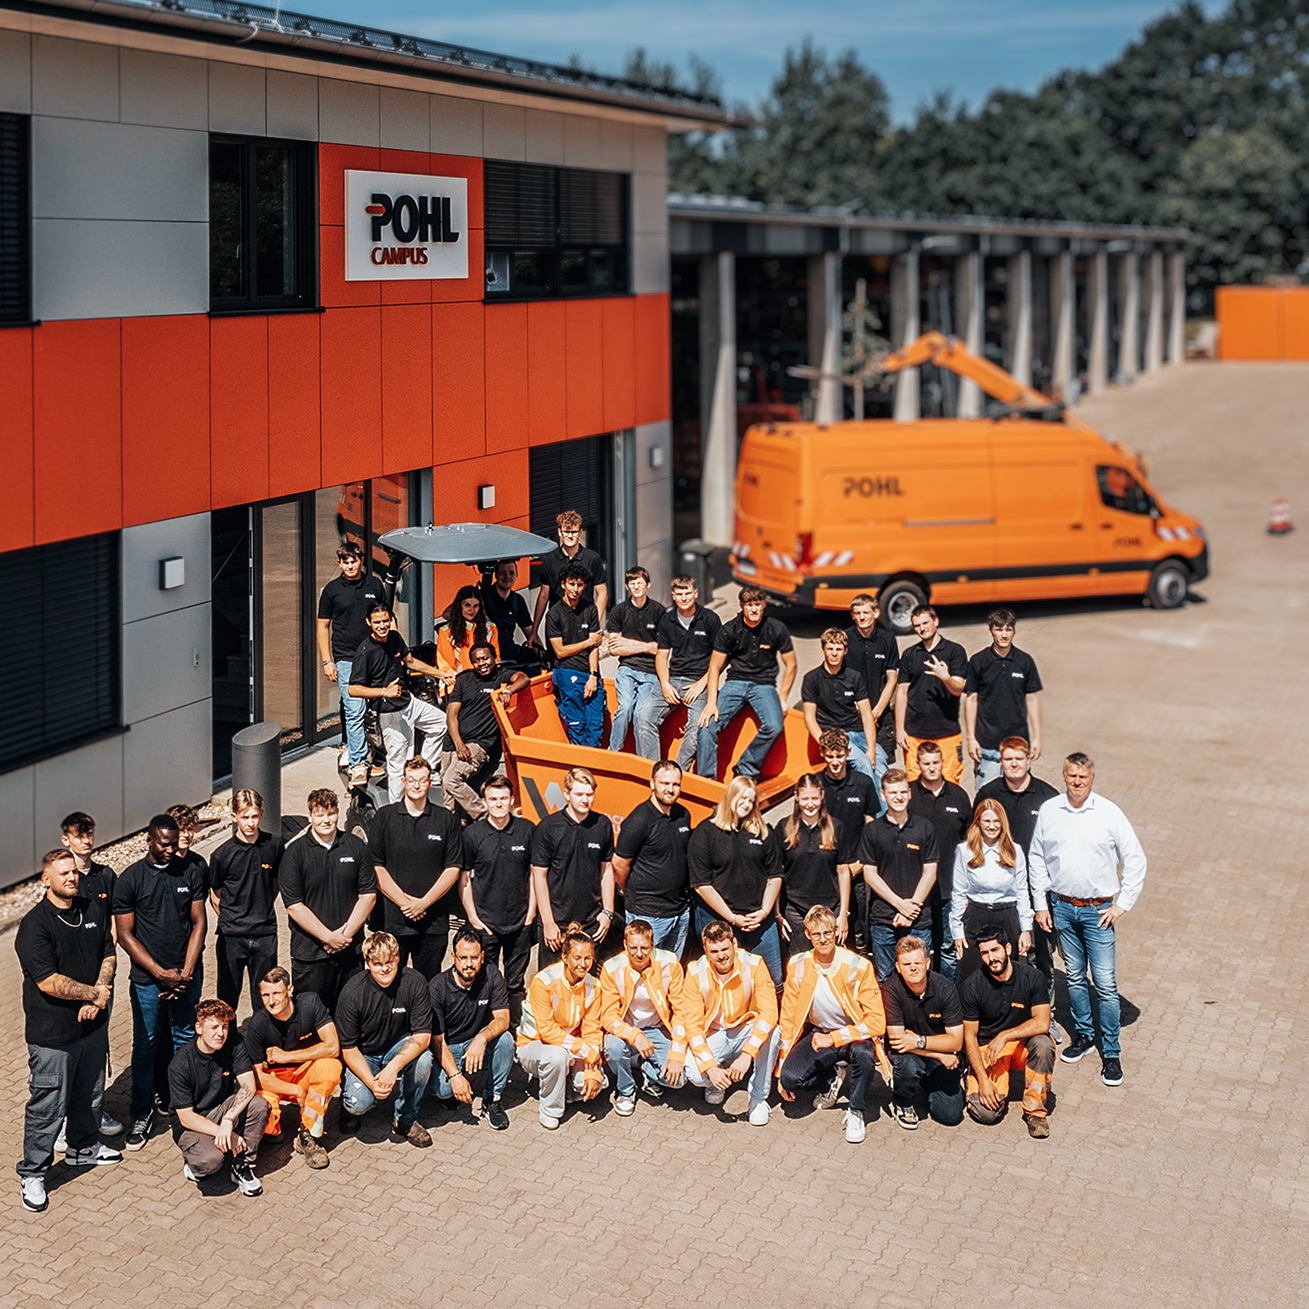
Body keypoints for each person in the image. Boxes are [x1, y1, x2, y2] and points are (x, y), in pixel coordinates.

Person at [1029, 753, 1147, 1088]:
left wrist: (1122, 905)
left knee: (1105, 984)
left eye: (1082, 776)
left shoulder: (1109, 813)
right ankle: (1084, 1035)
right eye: (1071, 776)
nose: (1077, 781)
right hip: (1062, 907)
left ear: (1092, 778)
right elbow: (1036, 858)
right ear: (1064, 776)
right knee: (1075, 977)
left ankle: (1111, 1051)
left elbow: (1136, 858)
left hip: (1099, 913)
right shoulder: (1051, 811)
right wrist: (1041, 905)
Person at [15, 850, 120, 1212]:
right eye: (63, 873)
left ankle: (82, 1148)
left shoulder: (91, 909)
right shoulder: (34, 926)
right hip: (53, 1037)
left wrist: (100, 994)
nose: (72, 877)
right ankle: (33, 1172)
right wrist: (94, 994)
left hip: (92, 1028)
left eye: (73, 871)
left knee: (89, 1095)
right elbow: (48, 981)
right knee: (48, 1106)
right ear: (46, 880)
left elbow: (109, 952)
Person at [113, 813, 207, 1152]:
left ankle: (185, 1112)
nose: (170, 850)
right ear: (149, 841)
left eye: (173, 843)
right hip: (148, 981)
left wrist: (185, 972)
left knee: (186, 1042)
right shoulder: (130, 879)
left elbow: (199, 923)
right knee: (147, 1045)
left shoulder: (190, 871)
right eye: (164, 844)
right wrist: (160, 973)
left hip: (185, 977)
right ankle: (141, 1113)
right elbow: (125, 935)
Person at [777, 906, 886, 1145]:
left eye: (828, 932)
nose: (823, 939)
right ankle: (831, 1080)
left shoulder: (859, 965)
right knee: (790, 1079)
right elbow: (788, 1018)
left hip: (853, 1034)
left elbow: (877, 1023)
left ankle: (856, 1110)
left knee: (865, 1054)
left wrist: (834, 1038)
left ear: (836, 932)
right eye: (816, 934)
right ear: (807, 935)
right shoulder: (797, 964)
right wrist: (781, 1066)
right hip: (819, 1033)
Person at [975, 736, 1061, 1036]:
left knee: (1040, 956)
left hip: (1037, 894)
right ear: (1000, 761)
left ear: (1029, 760)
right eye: (1008, 759)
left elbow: (1057, 849)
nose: (1013, 764)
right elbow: (973, 840)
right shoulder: (988, 794)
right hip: (997, 897)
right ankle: (1003, 1015)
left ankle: (1045, 1016)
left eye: (1018, 759)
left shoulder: (1047, 797)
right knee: (1001, 955)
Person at [279, 788, 377, 1012]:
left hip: (350, 952)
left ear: (338, 814)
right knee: (310, 1018)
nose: (326, 820)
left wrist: (344, 936)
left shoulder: (355, 846)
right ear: (310, 816)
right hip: (310, 956)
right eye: (320, 814)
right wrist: (328, 937)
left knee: (351, 1016)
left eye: (331, 813)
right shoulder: (294, 853)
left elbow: (368, 896)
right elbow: (294, 906)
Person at [588, 919, 697, 1116]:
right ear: (624, 945)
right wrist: (635, 1035)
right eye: (633, 948)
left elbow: (681, 1010)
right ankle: (626, 1089)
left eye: (644, 948)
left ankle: (644, 1067)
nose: (639, 953)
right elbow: (608, 1015)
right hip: (625, 1029)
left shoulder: (670, 963)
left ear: (652, 945)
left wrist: (677, 1053)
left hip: (657, 1028)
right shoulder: (612, 968)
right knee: (613, 1049)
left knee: (679, 1079)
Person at [369, 756, 463, 981]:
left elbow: (453, 868)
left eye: (422, 780)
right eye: (411, 780)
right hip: (392, 922)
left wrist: (424, 903)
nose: (416, 785)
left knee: (428, 985)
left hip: (433, 922)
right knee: (389, 984)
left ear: (430, 783)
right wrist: (405, 903)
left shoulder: (445, 819)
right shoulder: (384, 817)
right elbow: (375, 866)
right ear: (403, 782)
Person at [335, 932, 434, 1146]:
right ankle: (349, 1107)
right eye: (377, 963)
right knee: (359, 1104)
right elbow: (348, 1048)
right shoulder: (353, 993)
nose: (384, 969)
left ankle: (406, 1118)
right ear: (367, 964)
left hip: (396, 1047)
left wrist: (393, 1068)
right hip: (364, 1054)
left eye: (389, 962)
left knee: (424, 1059)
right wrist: (372, 1083)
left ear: (397, 958)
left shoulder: (415, 982)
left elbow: (423, 1035)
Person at [57, 811, 121, 1138]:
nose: (86, 840)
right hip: (72, 984)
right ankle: (64, 1118)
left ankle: (94, 1111)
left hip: (102, 979)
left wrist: (102, 981)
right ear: (65, 840)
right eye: (79, 835)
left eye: (89, 833)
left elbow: (113, 925)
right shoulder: (64, 879)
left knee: (97, 1046)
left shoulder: (106, 875)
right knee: (69, 1050)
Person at [687, 776, 785, 991]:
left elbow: (775, 875)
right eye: (742, 798)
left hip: (759, 919)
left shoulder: (763, 832)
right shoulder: (705, 832)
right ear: (730, 796)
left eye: (751, 800)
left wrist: (764, 911)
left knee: (773, 980)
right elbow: (701, 884)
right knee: (723, 979)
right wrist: (732, 918)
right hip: (719, 918)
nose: (746, 804)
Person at [347, 602, 448, 802]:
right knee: (398, 763)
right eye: (377, 622)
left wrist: (441, 674)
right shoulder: (365, 651)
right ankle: (396, 808)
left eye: (385, 621)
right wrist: (385, 691)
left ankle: (422, 771)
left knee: (442, 723)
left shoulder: (394, 637)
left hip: (409, 703)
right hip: (390, 712)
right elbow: (353, 689)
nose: (382, 625)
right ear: (369, 622)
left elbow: (410, 662)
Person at [960, 926, 1054, 1138]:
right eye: (985, 953)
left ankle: (1035, 1113)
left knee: (1044, 1045)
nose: (991, 958)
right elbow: (969, 1037)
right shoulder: (972, 985)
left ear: (1008, 949)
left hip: (1020, 1046)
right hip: (989, 1051)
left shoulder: (1033, 978)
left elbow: (1042, 1023)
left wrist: (1004, 1036)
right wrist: (983, 1081)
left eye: (995, 950)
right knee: (986, 1114)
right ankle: (973, 1077)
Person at [682, 921, 780, 1125]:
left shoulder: (754, 963)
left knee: (773, 1031)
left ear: (735, 944)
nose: (721, 956)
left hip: (744, 1029)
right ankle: (717, 1080)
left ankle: (758, 1098)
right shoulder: (694, 971)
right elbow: (692, 1025)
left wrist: (747, 1055)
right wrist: (710, 1068)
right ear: (705, 950)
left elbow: (769, 1012)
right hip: (714, 1033)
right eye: (714, 951)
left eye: (725, 949)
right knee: (694, 1073)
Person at [169, 998, 269, 1195]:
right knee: (210, 1160)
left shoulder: (234, 1042)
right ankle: (194, 1165)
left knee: (259, 1105)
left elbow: (248, 1085)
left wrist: (228, 1119)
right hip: (192, 1123)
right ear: (198, 1028)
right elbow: (186, 1118)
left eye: (224, 1026)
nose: (221, 1033)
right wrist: (226, 1133)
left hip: (221, 1109)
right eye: (214, 1027)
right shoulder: (180, 1065)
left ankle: (242, 1165)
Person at [245, 967, 340, 1170]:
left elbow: (333, 1047)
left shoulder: (310, 1003)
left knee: (331, 1067)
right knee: (260, 1109)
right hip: (275, 1080)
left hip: (305, 1072)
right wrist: (295, 1090)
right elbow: (256, 1076)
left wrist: (287, 1056)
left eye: (277, 993)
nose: (271, 1001)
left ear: (289, 990)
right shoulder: (257, 1025)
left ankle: (307, 1134)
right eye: (266, 995)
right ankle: (274, 1131)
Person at [699, 586, 797, 780]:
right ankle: (707, 780)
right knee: (706, 726)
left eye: (757, 605)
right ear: (742, 605)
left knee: (775, 726)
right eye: (749, 605)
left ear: (764, 605)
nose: (753, 609)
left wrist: (783, 698)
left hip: (763, 685)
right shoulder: (729, 629)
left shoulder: (775, 628)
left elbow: (791, 664)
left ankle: (745, 768)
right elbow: (714, 666)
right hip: (735, 682)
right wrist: (711, 702)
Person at [516, 923, 607, 1130]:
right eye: (577, 958)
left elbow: (592, 1030)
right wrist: (585, 1050)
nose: (583, 964)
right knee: (557, 1057)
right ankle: (551, 1109)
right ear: (565, 957)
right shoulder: (543, 982)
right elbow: (547, 1031)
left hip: (571, 1045)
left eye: (588, 958)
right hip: (535, 1044)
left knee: (595, 1082)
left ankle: (562, 1088)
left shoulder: (595, 986)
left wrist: (593, 1071)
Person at [460, 776, 536, 1021]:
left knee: (515, 984)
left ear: (512, 800)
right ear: (484, 802)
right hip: (486, 923)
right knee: (485, 981)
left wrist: (531, 914)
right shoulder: (473, 835)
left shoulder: (526, 830)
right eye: (493, 799)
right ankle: (487, 1028)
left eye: (503, 798)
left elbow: (535, 874)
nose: (499, 804)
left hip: (520, 922)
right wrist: (473, 917)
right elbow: (464, 879)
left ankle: (515, 1029)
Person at [853, 769, 938, 981]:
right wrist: (900, 905)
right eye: (893, 792)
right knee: (885, 978)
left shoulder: (925, 828)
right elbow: (870, 874)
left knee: (920, 976)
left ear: (909, 793)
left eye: (902, 792)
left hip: (918, 918)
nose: (898, 797)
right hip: (883, 918)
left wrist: (911, 910)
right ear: (883, 795)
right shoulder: (872, 831)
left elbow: (930, 873)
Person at [428, 929, 514, 1130]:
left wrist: (481, 1038)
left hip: (476, 1041)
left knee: (506, 1040)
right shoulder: (437, 987)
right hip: (449, 1047)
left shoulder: (492, 975)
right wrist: (455, 1076)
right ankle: (453, 1089)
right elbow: (437, 1040)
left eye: (474, 957)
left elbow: (503, 1019)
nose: (469, 964)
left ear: (482, 956)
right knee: (443, 1090)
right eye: (463, 958)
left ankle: (492, 1098)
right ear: (453, 957)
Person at [530, 767, 616, 966]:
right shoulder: (548, 827)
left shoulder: (602, 825)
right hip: (556, 926)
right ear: (566, 794)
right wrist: (548, 922)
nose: (585, 800)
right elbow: (539, 876)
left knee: (588, 981)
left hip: (591, 924)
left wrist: (608, 912)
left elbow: (607, 871)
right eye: (579, 794)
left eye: (589, 794)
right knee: (552, 981)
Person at [317, 541, 386, 785]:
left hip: (375, 655)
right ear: (339, 563)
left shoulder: (374, 584)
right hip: (346, 659)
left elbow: (386, 618)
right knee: (354, 710)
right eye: (345, 562)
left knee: (377, 709)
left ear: (361, 561)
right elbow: (323, 626)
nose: (350, 566)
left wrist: (394, 651)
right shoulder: (332, 590)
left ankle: (375, 756)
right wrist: (327, 661)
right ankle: (358, 764)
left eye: (353, 561)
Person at [208, 789, 283, 1015]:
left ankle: (261, 1035)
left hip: (265, 934)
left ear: (261, 814)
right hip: (231, 937)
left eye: (254, 816)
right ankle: (228, 1036)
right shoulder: (221, 855)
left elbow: (275, 884)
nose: (250, 823)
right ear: (234, 817)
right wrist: (232, 918)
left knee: (265, 998)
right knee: (227, 997)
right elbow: (215, 894)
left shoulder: (274, 846)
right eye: (244, 817)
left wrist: (261, 907)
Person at [882, 935, 965, 1130]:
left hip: (932, 1049)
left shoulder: (945, 989)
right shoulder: (891, 989)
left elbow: (956, 1042)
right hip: (909, 1053)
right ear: (898, 967)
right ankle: (903, 1101)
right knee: (910, 1066)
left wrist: (918, 1041)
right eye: (907, 964)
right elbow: (897, 1040)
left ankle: (927, 1081)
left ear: (927, 963)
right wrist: (939, 1054)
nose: (913, 968)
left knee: (950, 1115)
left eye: (917, 963)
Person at [612, 760, 693, 956]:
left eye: (675, 784)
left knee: (671, 968)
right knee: (643, 967)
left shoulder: (683, 815)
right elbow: (619, 864)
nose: (670, 789)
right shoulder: (639, 820)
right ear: (652, 784)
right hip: (648, 914)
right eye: (665, 783)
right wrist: (630, 890)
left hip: (680, 911)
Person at [441, 643, 528, 820]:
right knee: (449, 801)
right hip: (452, 743)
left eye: (485, 658)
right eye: (476, 660)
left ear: (494, 658)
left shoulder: (501, 676)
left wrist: (508, 690)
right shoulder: (464, 679)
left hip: (478, 744)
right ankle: (454, 833)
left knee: (451, 780)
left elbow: (523, 678)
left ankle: (486, 816)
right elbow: (452, 713)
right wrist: (458, 744)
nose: (481, 663)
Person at [908, 741, 972, 980]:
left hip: (950, 888)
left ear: (943, 763)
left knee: (947, 948)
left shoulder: (958, 796)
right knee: (919, 949)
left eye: (936, 762)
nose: (932, 768)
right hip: (916, 890)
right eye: (926, 763)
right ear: (918, 764)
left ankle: (947, 994)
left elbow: (970, 844)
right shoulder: (909, 795)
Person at [950, 799, 1033, 981]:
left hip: (1007, 916)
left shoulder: (1015, 851)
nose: (992, 826)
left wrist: (1026, 929)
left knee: (1005, 975)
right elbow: (959, 891)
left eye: (997, 821)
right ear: (978, 822)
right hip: (976, 915)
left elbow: (1022, 892)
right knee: (971, 975)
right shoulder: (965, 850)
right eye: (987, 821)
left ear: (1003, 823)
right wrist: (957, 930)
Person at [817, 728, 882, 953]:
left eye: (839, 755)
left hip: (856, 866)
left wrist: (860, 863)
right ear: (822, 754)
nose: (835, 761)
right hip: (826, 869)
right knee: (827, 928)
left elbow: (871, 828)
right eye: (830, 756)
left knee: (859, 928)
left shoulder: (863, 783)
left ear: (848, 752)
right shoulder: (816, 785)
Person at [963, 609, 1043, 788]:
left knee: (1019, 792)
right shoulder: (978, 661)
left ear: (1014, 632)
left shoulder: (1025, 661)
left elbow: (1031, 699)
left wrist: (1037, 738)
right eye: (999, 629)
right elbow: (971, 699)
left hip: (1018, 743)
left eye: (1008, 629)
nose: (1004, 635)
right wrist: (971, 738)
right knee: (987, 795)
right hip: (986, 744)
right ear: (990, 631)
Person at [771, 774, 849, 951]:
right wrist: (777, 914)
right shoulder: (783, 827)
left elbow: (843, 871)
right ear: (796, 797)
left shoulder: (836, 827)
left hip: (831, 909)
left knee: (831, 963)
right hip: (795, 911)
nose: (810, 804)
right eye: (805, 798)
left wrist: (844, 913)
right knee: (799, 964)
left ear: (822, 795)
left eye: (814, 798)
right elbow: (776, 873)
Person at [654, 574, 722, 773]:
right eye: (679, 594)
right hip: (673, 679)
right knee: (644, 716)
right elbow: (661, 657)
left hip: (700, 681)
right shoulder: (667, 619)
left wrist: (702, 684)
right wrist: (665, 684)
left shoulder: (710, 619)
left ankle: (678, 773)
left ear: (696, 593)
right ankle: (653, 771)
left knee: (698, 726)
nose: (684, 598)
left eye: (688, 593)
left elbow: (721, 659)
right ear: (673, 596)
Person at [894, 605, 967, 783]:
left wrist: (946, 677)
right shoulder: (910, 654)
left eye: (925, 623)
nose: (922, 628)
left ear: (935, 621)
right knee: (914, 782)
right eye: (917, 625)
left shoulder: (955, 651)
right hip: (914, 733)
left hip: (947, 732)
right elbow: (902, 693)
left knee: (950, 782)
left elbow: (958, 689)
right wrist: (900, 729)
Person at [605, 565, 668, 759]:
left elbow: (661, 649)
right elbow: (614, 649)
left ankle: (643, 760)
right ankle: (613, 753)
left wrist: (628, 643)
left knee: (641, 713)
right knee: (625, 708)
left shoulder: (659, 611)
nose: (636, 587)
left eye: (640, 582)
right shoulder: (618, 612)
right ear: (627, 586)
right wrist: (647, 646)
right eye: (632, 583)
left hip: (651, 672)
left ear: (648, 584)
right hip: (627, 669)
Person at [844, 593, 900, 793]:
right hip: (852, 716)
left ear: (875, 613)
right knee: (856, 769)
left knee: (882, 769)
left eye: (866, 612)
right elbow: (839, 676)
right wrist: (861, 711)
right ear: (852, 615)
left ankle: (884, 808)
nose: (862, 617)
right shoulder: (845, 639)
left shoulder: (887, 639)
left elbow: (892, 679)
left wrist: (875, 713)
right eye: (857, 613)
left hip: (881, 717)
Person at [801, 628, 876, 778]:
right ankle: (868, 794)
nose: (834, 653)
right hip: (834, 736)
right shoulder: (812, 679)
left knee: (880, 764)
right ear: (822, 649)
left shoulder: (854, 677)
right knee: (863, 763)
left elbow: (867, 715)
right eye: (830, 649)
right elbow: (809, 718)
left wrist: (872, 750)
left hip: (858, 733)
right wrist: (827, 743)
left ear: (845, 651)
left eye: (839, 649)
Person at [544, 562, 604, 748]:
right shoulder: (554, 614)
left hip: (590, 673)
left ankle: (590, 761)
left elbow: (595, 647)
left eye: (579, 584)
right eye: (571, 584)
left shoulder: (590, 609)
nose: (575, 589)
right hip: (567, 670)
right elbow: (560, 651)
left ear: (584, 586)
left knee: (595, 726)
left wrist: (593, 675)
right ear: (563, 584)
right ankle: (579, 762)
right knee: (577, 724)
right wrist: (587, 642)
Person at [530, 509, 609, 648]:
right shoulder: (550, 559)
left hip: (584, 620)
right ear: (559, 532)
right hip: (557, 623)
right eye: (566, 532)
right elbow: (543, 595)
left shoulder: (592, 558)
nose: (570, 536)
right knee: (557, 659)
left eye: (574, 532)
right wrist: (534, 630)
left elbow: (602, 593)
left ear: (580, 532)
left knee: (585, 659)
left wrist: (594, 623)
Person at [437, 585, 502, 684]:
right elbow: (446, 667)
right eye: (467, 605)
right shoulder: (446, 631)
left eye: (475, 606)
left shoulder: (490, 628)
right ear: (459, 606)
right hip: (457, 682)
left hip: (486, 680)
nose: (472, 610)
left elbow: (496, 659)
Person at [480, 559, 538, 667]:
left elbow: (531, 634)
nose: (507, 577)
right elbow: (449, 613)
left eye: (511, 573)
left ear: (516, 575)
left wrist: (544, 657)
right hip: (489, 657)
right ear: (496, 575)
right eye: (502, 573)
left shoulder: (518, 600)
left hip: (511, 652)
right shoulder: (482, 597)